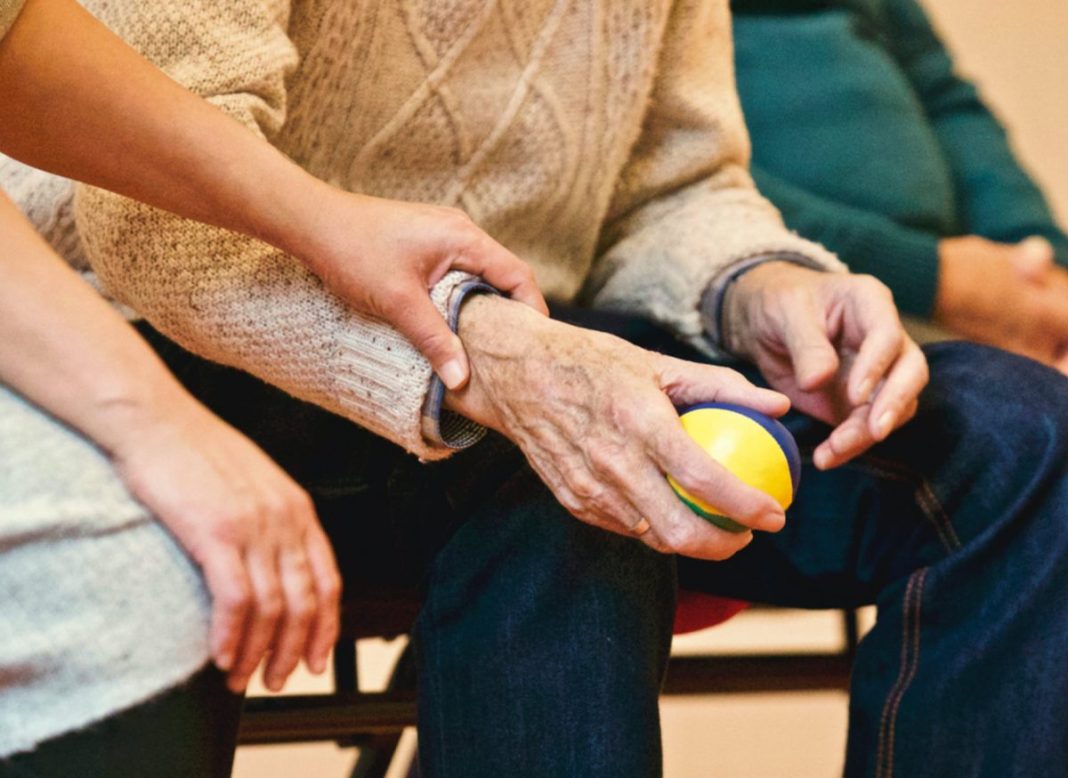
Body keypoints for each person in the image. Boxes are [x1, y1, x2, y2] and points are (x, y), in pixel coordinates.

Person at [4, 1, 1066, 777]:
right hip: (220, 347)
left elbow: (675, 185)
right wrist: (493, 358)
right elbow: (145, 212)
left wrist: (762, 288)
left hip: (559, 344)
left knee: (1020, 438)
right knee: (579, 467)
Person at [0, 0, 543, 770]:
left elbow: (15, 40)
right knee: (132, 591)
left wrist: (329, 221)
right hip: (123, 321)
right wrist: (157, 425)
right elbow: (136, 225)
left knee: (552, 470)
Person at [730, 0, 1068, 370]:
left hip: (977, 286)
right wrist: (934, 279)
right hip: (801, 303)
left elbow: (945, 99)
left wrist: (1042, 264)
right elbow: (692, 186)